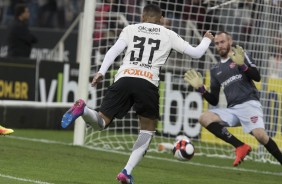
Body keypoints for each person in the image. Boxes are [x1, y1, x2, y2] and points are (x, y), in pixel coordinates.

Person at [61, 4, 214, 184]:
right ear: (161, 19)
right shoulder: (168, 33)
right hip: (147, 82)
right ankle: (126, 171)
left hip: (124, 78)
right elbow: (196, 53)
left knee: (101, 122)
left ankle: (84, 110)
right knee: (147, 129)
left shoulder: (130, 29)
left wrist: (101, 71)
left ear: (143, 16)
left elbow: (114, 51)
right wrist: (206, 39)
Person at [184, 31, 282, 167]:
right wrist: (202, 89)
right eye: (217, 43)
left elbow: (257, 77)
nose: (220, 46)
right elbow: (214, 100)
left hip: (249, 103)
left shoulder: (240, 55)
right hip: (233, 109)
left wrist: (243, 66)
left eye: (222, 42)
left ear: (229, 41)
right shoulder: (215, 69)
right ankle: (240, 146)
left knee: (260, 135)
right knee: (204, 118)